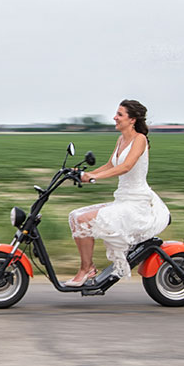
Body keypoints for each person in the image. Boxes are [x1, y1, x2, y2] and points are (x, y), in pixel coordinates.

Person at [65, 100, 171, 286]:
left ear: (132, 120)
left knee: (83, 220)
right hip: (122, 200)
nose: (115, 117)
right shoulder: (121, 139)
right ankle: (87, 267)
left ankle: (86, 270)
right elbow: (110, 165)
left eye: (120, 114)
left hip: (136, 204)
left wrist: (93, 178)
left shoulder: (140, 139)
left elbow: (126, 167)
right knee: (75, 216)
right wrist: (82, 173)